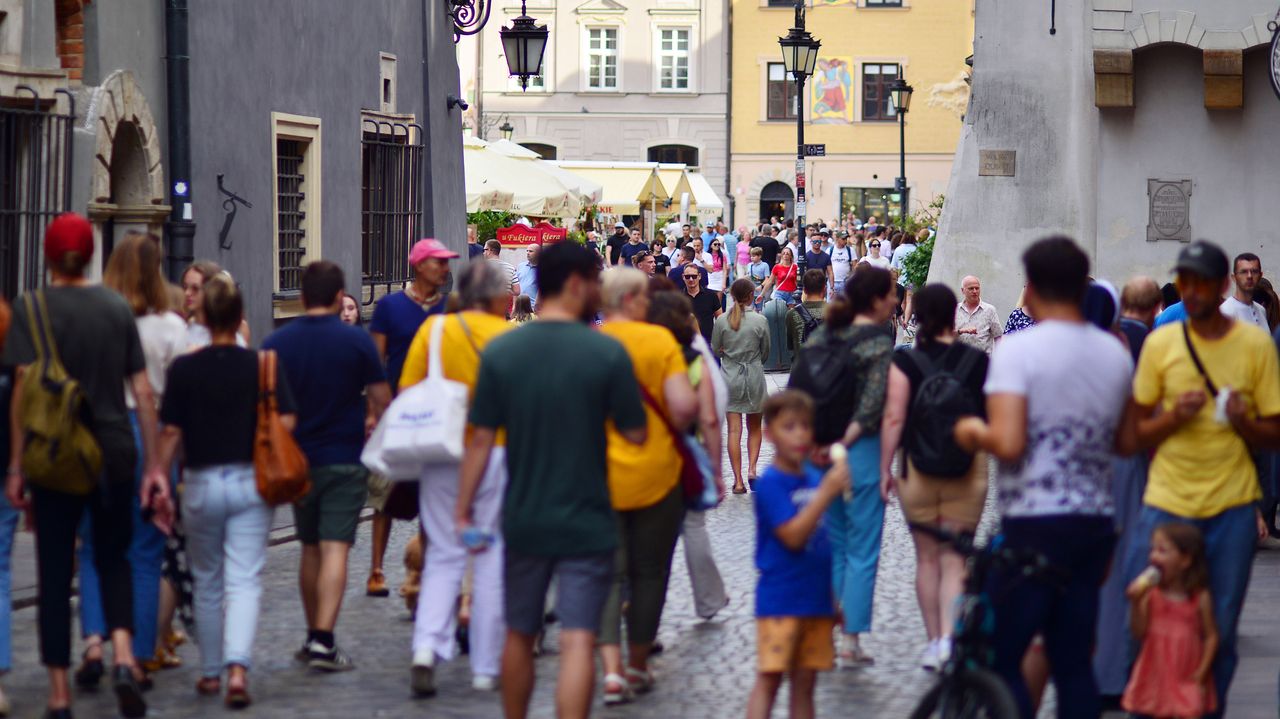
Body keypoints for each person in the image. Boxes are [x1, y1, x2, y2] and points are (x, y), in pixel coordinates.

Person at [455, 241, 647, 719]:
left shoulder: (503, 350)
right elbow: (636, 432)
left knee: (520, 632)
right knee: (579, 636)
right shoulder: (606, 352)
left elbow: (480, 441)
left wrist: (462, 509)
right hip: (589, 512)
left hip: (523, 513)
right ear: (577, 284)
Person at [955, 236, 1137, 719]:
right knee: (1075, 659)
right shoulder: (1113, 353)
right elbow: (1126, 441)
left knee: (1006, 653)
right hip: (1094, 521)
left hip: (1034, 520)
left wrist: (974, 430)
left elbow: (1010, 443)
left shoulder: (1018, 351)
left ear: (1030, 289)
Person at [4, 213, 171, 719]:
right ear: (90, 255)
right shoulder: (116, 307)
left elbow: (21, 393)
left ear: (50, 257)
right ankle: (123, 656)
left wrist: (15, 466)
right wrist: (154, 468)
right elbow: (142, 390)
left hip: (55, 456)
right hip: (114, 451)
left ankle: (58, 693)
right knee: (114, 557)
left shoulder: (30, 309)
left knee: (56, 570)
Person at [1124, 239, 1280, 717]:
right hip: (1168, 501)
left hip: (1231, 506)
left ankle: (1206, 707)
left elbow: (1272, 434)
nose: (1190, 292)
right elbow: (1131, 432)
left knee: (1222, 626)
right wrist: (1172, 418)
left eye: (1200, 283)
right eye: (1184, 282)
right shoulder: (1162, 342)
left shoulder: (1254, 343)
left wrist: (1244, 423)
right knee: (1150, 612)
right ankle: (1150, 702)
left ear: (1220, 288)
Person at [156, 276, 292, 708]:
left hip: (200, 483)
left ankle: (211, 672)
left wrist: (157, 477)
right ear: (238, 320)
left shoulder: (183, 369)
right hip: (251, 481)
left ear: (202, 317)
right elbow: (287, 423)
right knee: (245, 579)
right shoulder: (261, 365)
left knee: (207, 580)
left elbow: (171, 432)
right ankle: (237, 669)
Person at [263, 261, 392, 672]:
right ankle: (324, 639)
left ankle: (311, 633)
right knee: (337, 547)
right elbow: (382, 396)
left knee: (310, 548)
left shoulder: (277, 343)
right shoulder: (356, 343)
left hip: (297, 462)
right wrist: (371, 414)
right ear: (340, 298)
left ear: (302, 296)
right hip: (344, 458)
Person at [76, 234, 188, 690]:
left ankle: (95, 644)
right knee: (145, 551)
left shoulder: (93, 322)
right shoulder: (171, 328)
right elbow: (178, 398)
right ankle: (138, 655)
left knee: (94, 546)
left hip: (93, 433)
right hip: (149, 436)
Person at [398, 261, 515, 696]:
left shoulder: (435, 332)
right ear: (499, 297)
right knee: (489, 556)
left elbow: (408, 392)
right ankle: (485, 666)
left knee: (443, 552)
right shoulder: (510, 338)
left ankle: (427, 646)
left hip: (443, 450)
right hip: (498, 453)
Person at [596, 269, 697, 706]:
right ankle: (638, 664)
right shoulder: (659, 343)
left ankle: (611, 671)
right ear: (634, 299)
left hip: (597, 477)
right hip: (657, 475)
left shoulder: (592, 344)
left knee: (607, 575)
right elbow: (682, 409)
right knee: (650, 572)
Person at [877, 283, 989, 671]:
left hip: (916, 468)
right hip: (967, 467)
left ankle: (934, 642)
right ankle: (952, 641)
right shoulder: (977, 362)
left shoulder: (905, 362)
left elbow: (893, 418)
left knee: (927, 560)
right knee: (956, 560)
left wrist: (883, 471)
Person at [806, 267, 897, 668]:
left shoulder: (826, 331)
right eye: (891, 294)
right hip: (859, 449)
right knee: (862, 549)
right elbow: (875, 402)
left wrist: (817, 443)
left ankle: (826, 630)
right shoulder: (878, 340)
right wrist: (847, 442)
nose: (895, 300)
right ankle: (851, 641)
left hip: (819, 448)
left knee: (835, 545)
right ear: (875, 300)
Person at [745, 391, 848, 719]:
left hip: (815, 600)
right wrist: (826, 494)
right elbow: (792, 536)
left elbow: (822, 546)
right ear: (771, 433)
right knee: (770, 680)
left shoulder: (815, 478)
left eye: (805, 426)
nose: (800, 434)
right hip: (781, 601)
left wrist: (832, 600)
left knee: (805, 685)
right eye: (789, 427)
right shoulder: (773, 483)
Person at [367, 238, 455, 595]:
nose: (446, 269)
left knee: (431, 495)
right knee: (385, 493)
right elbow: (376, 363)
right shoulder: (389, 307)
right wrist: (375, 413)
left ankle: (422, 569)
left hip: (438, 412)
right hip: (396, 411)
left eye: (447, 263)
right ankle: (376, 569)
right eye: (439, 262)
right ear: (419, 266)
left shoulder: (450, 309)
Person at [646, 290, 728, 622]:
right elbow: (709, 417)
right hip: (686, 450)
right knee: (693, 525)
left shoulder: (641, 351)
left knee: (649, 535)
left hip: (643, 450)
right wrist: (716, 468)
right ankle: (708, 600)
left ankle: (641, 604)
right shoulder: (694, 357)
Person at [1121, 522, 1219, 719]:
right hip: (1155, 672)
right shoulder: (1151, 595)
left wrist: (1201, 672)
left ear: (1185, 560)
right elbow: (1139, 632)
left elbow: (1211, 636)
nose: (1153, 556)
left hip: (1186, 673)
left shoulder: (1199, 597)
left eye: (1162, 551)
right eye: (1153, 550)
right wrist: (1135, 603)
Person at [714, 280, 771, 495]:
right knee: (754, 427)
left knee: (733, 431)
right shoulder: (760, 320)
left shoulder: (721, 320)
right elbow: (766, 352)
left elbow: (716, 349)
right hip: (753, 375)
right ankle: (752, 469)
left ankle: (738, 481)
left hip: (730, 376)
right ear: (749, 296)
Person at [181, 260, 250, 348]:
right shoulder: (182, 329)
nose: (187, 293)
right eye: (185, 287)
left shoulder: (230, 333)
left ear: (211, 289)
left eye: (195, 288)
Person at [954, 275, 1003, 354]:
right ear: (962, 290)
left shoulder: (989, 310)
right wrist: (961, 331)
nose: (975, 291)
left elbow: (998, 336)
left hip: (982, 362)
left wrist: (999, 358)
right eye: (971, 288)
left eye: (977, 288)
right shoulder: (954, 309)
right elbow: (946, 335)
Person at [1219, 253, 1267, 331]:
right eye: (1244, 272)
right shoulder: (1225, 312)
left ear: (1260, 276)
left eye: (1254, 271)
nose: (1249, 276)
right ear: (1234, 277)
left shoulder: (1261, 310)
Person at [785, 269, 827, 354]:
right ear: (825, 289)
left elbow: (790, 346)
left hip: (801, 365)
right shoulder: (838, 313)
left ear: (804, 290)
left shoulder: (791, 314)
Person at [682, 263, 722, 345]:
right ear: (683, 277)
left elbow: (720, 319)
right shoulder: (679, 298)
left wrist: (721, 339)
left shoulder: (711, 295)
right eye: (687, 276)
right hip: (687, 343)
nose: (691, 279)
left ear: (699, 276)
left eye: (694, 276)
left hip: (709, 341)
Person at [829, 231, 855, 298]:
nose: (845, 241)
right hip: (832, 282)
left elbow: (855, 266)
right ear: (837, 239)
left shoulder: (850, 250)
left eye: (846, 239)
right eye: (843, 239)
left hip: (846, 282)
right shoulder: (830, 250)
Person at [515, 244, 540, 308]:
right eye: (527, 251)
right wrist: (514, 306)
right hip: (519, 306)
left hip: (533, 307)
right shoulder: (521, 266)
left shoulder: (544, 269)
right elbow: (515, 285)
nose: (528, 253)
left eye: (531, 251)